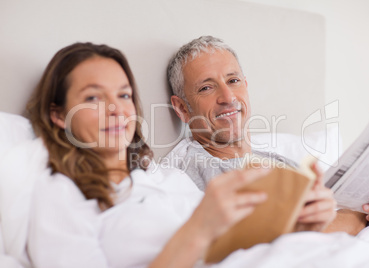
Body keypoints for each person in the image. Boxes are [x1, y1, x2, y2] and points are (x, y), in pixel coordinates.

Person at [25, 42, 336, 267]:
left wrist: (305, 230)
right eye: (93, 97)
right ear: (59, 115)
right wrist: (199, 229)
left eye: (123, 95)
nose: (116, 109)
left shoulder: (164, 178)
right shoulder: (61, 193)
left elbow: (239, 249)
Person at [166, 36, 369, 227]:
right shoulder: (191, 173)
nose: (228, 98)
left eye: (233, 80)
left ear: (246, 87)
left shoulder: (275, 159)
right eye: (207, 87)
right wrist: (365, 216)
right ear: (182, 108)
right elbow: (281, 241)